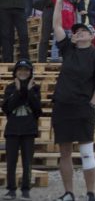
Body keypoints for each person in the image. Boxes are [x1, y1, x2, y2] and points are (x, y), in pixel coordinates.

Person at [50, 0, 95, 201]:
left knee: (86, 153)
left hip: (83, 108)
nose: (78, 32)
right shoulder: (68, 50)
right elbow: (56, 25)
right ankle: (69, 193)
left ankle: (90, 193)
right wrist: (60, 1)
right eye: (76, 31)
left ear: (91, 35)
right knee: (64, 152)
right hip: (63, 106)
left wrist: (92, 104)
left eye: (82, 30)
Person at [3, 59, 42, 200]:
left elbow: (38, 109)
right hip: (12, 130)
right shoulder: (10, 88)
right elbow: (7, 108)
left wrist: (29, 91)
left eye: (26, 70)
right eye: (20, 69)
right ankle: (11, 190)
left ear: (31, 72)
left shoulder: (35, 88)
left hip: (29, 130)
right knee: (11, 161)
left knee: (27, 162)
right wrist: (19, 91)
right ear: (15, 72)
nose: (23, 72)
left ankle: (26, 189)